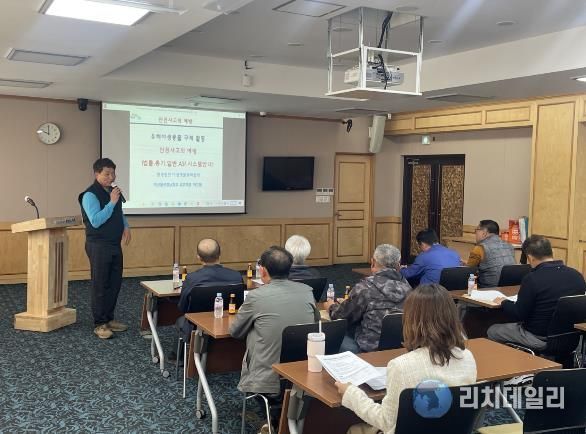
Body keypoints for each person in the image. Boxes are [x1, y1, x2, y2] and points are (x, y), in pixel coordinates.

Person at [336, 283, 477, 434]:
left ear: (411, 320)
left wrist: (351, 394)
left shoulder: (401, 366)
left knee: (355, 430)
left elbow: (386, 422)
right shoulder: (467, 358)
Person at [230, 246, 318, 395]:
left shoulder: (255, 296)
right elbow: (316, 323)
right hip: (301, 376)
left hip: (265, 382)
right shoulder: (307, 291)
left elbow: (235, 332)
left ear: (263, 271)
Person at [488, 235, 586, 351]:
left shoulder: (532, 279)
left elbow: (519, 314)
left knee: (493, 330)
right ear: (551, 252)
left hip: (538, 337)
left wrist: (504, 302)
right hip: (571, 338)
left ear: (530, 258)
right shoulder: (577, 275)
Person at [78, 158, 131, 339]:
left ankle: (109, 318)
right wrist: (112, 202)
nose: (111, 177)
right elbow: (96, 220)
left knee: (114, 283)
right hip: (98, 245)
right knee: (100, 284)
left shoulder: (112, 192)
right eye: (107, 174)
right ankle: (99, 323)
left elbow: (118, 213)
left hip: (114, 244)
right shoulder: (89, 195)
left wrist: (126, 227)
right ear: (97, 174)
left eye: (113, 173)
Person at [325, 244, 411, 353]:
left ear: (373, 262)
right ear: (398, 266)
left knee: (328, 334)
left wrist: (331, 307)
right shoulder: (409, 289)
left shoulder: (365, 288)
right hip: (401, 347)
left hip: (368, 349)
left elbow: (341, 316)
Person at [175, 238, 243, 341]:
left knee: (181, 321)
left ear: (198, 257)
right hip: (231, 326)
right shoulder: (236, 276)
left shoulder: (191, 279)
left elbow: (183, 307)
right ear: (220, 254)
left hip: (197, 327)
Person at [466, 219, 515, 287]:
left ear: (484, 233)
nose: (475, 233)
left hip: (487, 289)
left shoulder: (480, 248)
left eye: (476, 230)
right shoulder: (509, 246)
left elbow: (468, 272)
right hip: (509, 289)